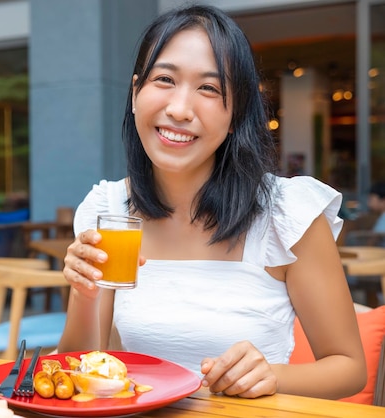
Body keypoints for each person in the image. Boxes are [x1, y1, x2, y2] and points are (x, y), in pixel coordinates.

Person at [58, 4, 366, 401]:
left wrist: (273, 376)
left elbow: (348, 366)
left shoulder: (287, 213)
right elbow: (75, 371)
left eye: (209, 88)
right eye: (165, 79)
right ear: (136, 93)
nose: (180, 109)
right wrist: (86, 294)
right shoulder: (109, 208)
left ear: (236, 112)